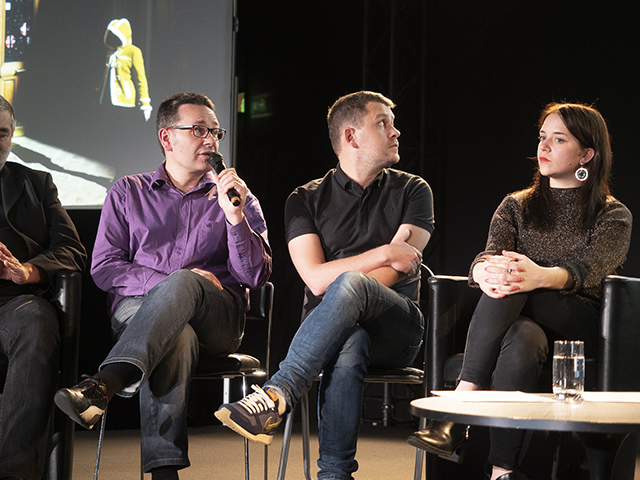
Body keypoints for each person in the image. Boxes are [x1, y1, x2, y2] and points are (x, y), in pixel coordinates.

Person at [216, 91, 434, 479]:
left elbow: (398, 269)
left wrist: (358, 277)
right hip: (332, 334)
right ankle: (335, 475)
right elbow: (314, 278)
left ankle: (278, 392)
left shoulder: (413, 190)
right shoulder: (304, 199)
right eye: (383, 123)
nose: (396, 132)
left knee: (350, 285)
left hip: (397, 328)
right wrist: (384, 250)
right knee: (349, 342)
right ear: (351, 137)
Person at [407, 102, 632, 480]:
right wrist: (483, 270)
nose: (544, 146)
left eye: (558, 139)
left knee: (515, 278)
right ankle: (502, 472)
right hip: (519, 321)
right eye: (542, 137)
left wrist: (536, 276)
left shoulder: (613, 215)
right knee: (522, 336)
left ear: (586, 154)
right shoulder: (517, 205)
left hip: (577, 325)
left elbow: (587, 271)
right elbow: (490, 256)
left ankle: (459, 409)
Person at [54, 92, 272, 480]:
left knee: (186, 292)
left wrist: (235, 218)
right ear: (166, 137)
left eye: (215, 132)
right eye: (199, 130)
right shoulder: (127, 192)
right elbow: (104, 268)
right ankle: (164, 473)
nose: (210, 140)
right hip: (139, 314)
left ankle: (105, 383)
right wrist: (168, 283)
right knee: (177, 335)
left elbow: (254, 276)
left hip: (217, 319)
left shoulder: (235, 196)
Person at [0, 95, 86, 480]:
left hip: (16, 303)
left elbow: (71, 250)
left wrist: (27, 272)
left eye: (2, 133)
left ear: (12, 136)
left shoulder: (35, 182)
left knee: (37, 321)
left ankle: (14, 469)